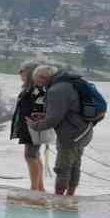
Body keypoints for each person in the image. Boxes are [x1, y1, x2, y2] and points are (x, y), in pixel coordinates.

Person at [28, 65, 96, 196]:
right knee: (75, 165)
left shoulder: (56, 90)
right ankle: (71, 195)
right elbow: (67, 109)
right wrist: (46, 116)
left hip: (71, 134)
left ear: (43, 78)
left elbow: (53, 120)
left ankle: (60, 198)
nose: (37, 85)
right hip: (84, 130)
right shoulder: (67, 83)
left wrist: (34, 125)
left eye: (37, 81)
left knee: (62, 167)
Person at [9, 61, 49, 192]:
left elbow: (39, 109)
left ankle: (34, 188)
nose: (19, 73)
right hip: (31, 126)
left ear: (30, 73)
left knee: (30, 156)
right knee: (34, 155)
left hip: (33, 127)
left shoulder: (36, 89)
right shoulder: (31, 88)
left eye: (22, 70)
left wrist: (34, 124)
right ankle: (39, 187)